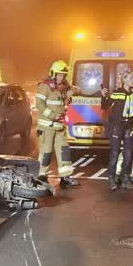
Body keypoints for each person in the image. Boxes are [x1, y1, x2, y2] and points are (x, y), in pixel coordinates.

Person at [35, 60, 80, 188]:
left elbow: (78, 90)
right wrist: (52, 116)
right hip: (47, 127)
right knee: (46, 152)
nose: (61, 77)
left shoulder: (63, 88)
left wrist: (71, 91)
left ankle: (65, 178)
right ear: (53, 73)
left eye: (63, 75)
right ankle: (42, 177)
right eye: (59, 75)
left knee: (64, 151)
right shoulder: (44, 87)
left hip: (59, 127)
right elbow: (39, 105)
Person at [101, 71, 133, 191]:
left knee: (128, 154)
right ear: (124, 80)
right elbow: (105, 106)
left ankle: (126, 178)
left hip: (129, 127)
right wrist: (103, 96)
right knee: (114, 154)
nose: (132, 80)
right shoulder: (117, 93)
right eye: (129, 78)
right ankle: (112, 178)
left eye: (132, 78)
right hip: (117, 127)